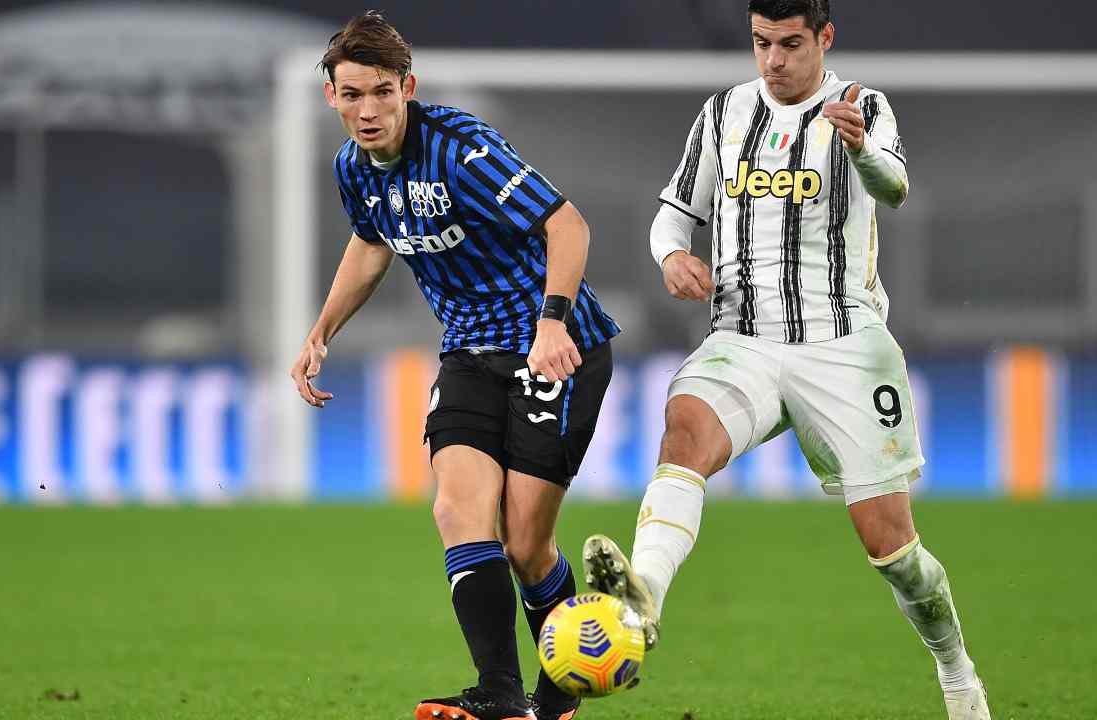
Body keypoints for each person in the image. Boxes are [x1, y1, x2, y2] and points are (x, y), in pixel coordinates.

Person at [581, 2, 990, 718]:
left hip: (845, 348)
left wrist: (861, 148)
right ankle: (642, 601)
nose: (773, 59)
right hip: (744, 339)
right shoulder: (722, 114)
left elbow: (893, 187)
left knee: (893, 551)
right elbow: (676, 212)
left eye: (790, 43)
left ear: (824, 38)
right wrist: (672, 254)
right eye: (762, 43)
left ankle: (955, 669)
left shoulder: (863, 107)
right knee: (683, 429)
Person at [290, 12, 620, 720]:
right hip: (470, 351)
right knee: (457, 509)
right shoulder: (353, 165)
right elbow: (372, 241)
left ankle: (561, 695)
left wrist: (552, 322)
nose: (368, 110)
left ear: (407, 86)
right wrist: (321, 330)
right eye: (352, 95)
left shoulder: (464, 151)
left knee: (529, 544)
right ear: (332, 98)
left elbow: (567, 225)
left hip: (558, 348)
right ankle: (501, 696)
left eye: (382, 92)